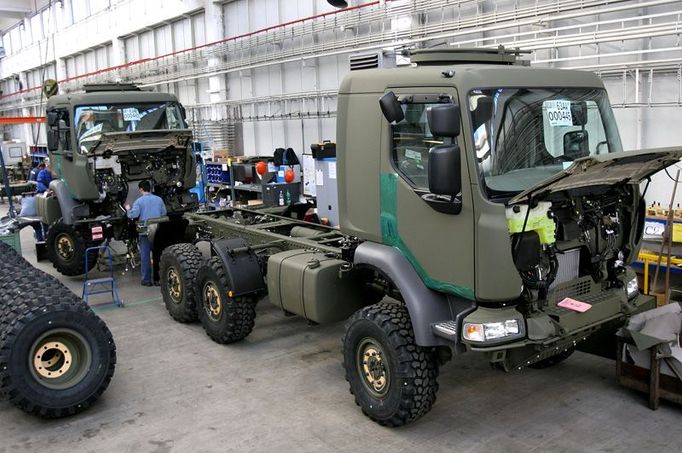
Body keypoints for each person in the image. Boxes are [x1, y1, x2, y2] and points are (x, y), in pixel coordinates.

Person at [125, 180, 167, 286]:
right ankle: (158, 280)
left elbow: (133, 215)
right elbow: (164, 213)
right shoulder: (159, 200)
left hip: (145, 233)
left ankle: (146, 280)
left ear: (141, 189)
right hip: (157, 232)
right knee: (157, 256)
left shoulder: (139, 201)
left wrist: (128, 210)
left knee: (145, 257)